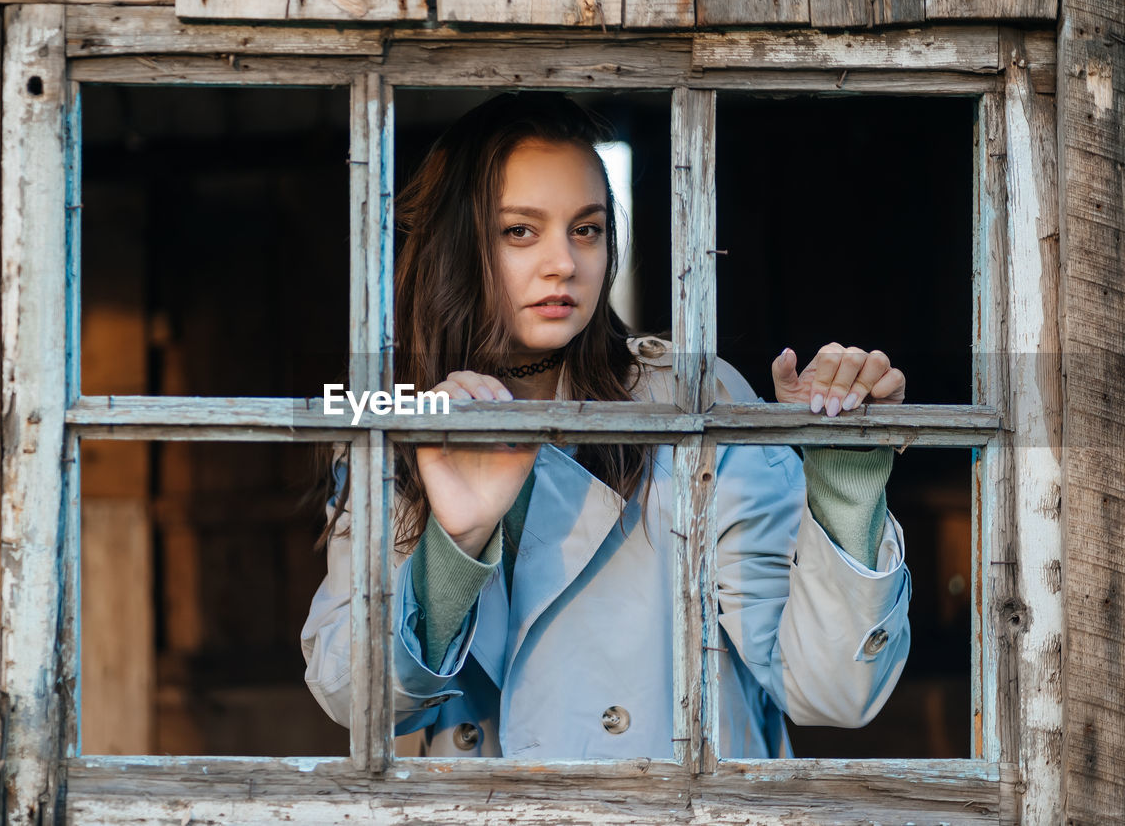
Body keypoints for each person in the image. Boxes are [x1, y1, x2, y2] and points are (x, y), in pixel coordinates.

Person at [301, 92, 910, 759]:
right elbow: (350, 697)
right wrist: (459, 538)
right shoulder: (394, 426)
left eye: (586, 228)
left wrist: (845, 485)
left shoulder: (690, 396)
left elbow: (829, 690)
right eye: (521, 231)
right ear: (457, 244)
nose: (565, 262)